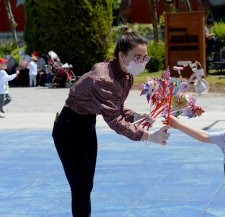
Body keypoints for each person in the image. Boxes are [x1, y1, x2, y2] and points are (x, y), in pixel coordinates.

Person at [52, 25, 170, 217]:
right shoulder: (104, 78)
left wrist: (137, 116)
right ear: (122, 56)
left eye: (145, 57)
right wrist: (149, 136)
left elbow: (116, 107)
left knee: (86, 186)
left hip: (87, 126)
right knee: (80, 189)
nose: (142, 62)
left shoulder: (126, 75)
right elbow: (114, 120)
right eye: (137, 57)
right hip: (68, 130)